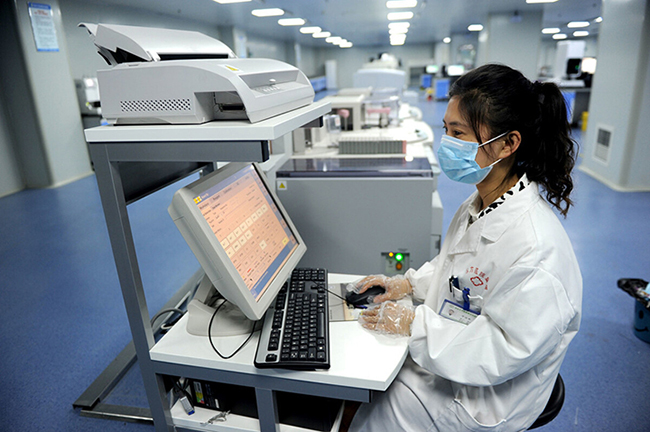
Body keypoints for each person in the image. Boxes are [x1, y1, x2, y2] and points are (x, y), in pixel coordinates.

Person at [346, 63, 583, 432]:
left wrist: (413, 324)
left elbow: (501, 350)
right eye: (446, 130)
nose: (447, 143)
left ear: (508, 144)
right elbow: (458, 270)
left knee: (374, 412)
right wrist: (407, 284)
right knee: (368, 374)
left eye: (458, 133)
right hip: (455, 353)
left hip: (483, 397)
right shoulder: (482, 203)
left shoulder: (537, 251)